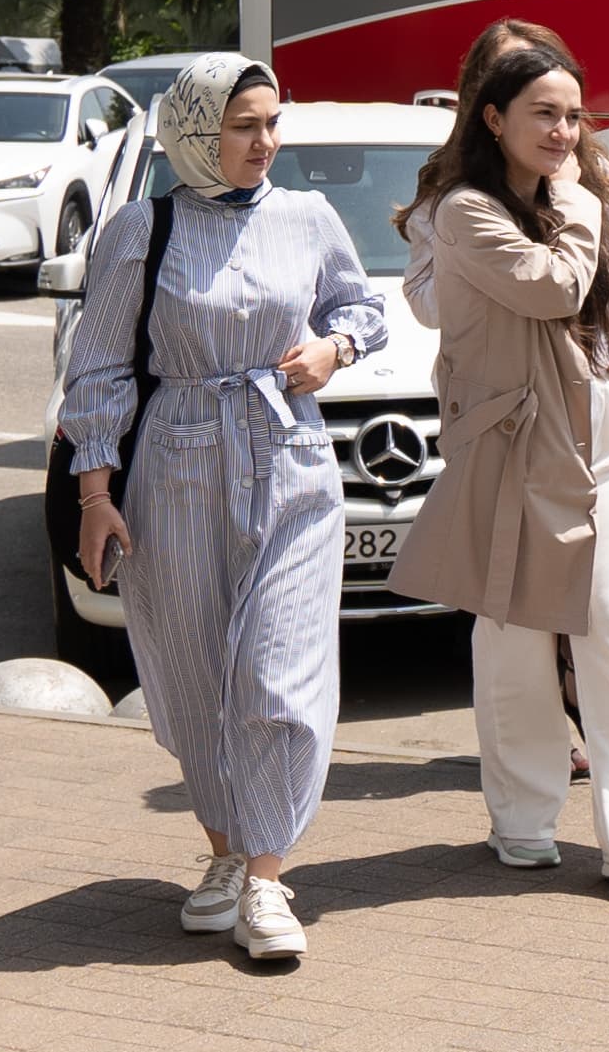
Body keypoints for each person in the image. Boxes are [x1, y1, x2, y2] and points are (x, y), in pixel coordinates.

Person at [61, 56, 390, 969]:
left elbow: (366, 310)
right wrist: (96, 493)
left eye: (273, 122)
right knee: (197, 675)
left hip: (291, 460)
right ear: (197, 133)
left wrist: (334, 348)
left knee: (281, 671)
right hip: (176, 466)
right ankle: (223, 856)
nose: (265, 143)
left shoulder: (308, 217)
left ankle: (268, 877)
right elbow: (96, 368)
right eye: (244, 126)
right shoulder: (143, 227)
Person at [391, 39, 609, 886]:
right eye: (543, 114)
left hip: (603, 425)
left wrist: (599, 335)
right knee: (512, 629)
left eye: (572, 114)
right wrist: (579, 202)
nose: (563, 131)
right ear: (492, 116)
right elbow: (553, 286)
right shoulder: (462, 208)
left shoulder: (590, 186)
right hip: (507, 437)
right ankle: (521, 817)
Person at [404, 17, 609, 339]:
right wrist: (497, 273)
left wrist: (598, 331)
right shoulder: (459, 195)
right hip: (504, 378)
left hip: (593, 373)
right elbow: (426, 304)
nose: (526, 79)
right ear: (487, 104)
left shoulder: (591, 169)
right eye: (509, 72)